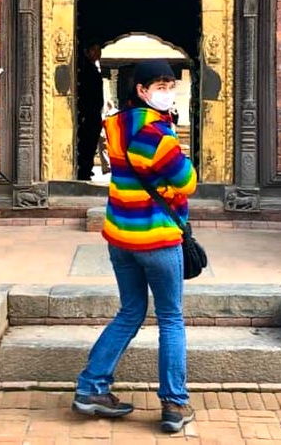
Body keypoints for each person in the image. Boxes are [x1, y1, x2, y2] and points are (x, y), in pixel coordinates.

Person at [73, 59, 197, 434]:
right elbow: (187, 181)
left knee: (130, 311)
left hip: (121, 237)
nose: (167, 92)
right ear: (141, 90)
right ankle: (174, 402)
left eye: (170, 85)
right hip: (156, 238)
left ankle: (91, 387)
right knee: (171, 318)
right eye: (159, 86)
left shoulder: (117, 125)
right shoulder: (154, 133)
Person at [76, 41, 104, 181]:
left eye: (99, 50)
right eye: (94, 50)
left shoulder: (93, 69)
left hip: (94, 115)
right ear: (86, 51)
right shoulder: (84, 70)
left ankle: (87, 169)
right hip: (86, 115)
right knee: (85, 145)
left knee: (91, 145)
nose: (97, 53)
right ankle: (83, 171)